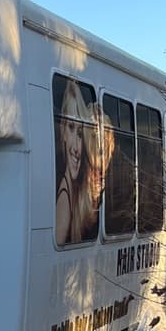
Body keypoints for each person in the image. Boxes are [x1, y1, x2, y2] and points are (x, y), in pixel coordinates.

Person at [55, 78, 91, 245]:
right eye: (71, 128)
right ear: (62, 131)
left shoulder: (74, 193)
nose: (76, 148)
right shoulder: (64, 199)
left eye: (80, 134)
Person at [76, 104, 115, 241]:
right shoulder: (76, 191)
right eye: (93, 137)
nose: (100, 148)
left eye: (104, 140)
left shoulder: (115, 189)